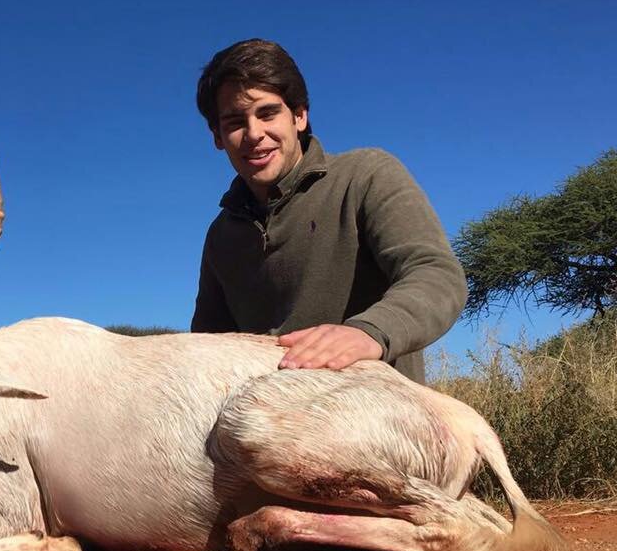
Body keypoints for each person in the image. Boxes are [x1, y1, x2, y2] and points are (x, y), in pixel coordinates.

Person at [191, 38, 466, 384]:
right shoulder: (222, 234)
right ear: (217, 136)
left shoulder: (366, 174)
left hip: (376, 417)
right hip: (273, 427)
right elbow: (210, 347)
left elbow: (437, 275)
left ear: (299, 115)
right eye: (234, 122)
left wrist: (368, 333)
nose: (254, 134)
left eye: (267, 113)